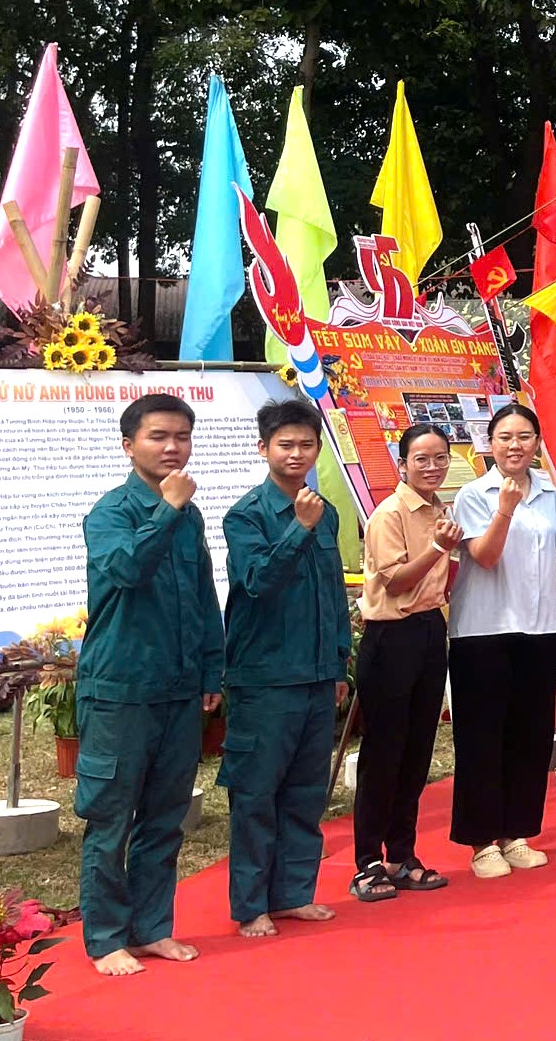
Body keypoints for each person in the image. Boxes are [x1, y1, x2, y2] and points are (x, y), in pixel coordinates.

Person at [76, 395, 222, 976]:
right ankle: (106, 938)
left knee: (165, 818)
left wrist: (211, 671)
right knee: (111, 820)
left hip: (179, 690)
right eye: (158, 436)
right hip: (120, 691)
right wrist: (165, 510)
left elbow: (205, 597)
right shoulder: (110, 513)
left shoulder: (190, 514)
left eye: (182, 436)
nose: (172, 447)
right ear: (128, 444)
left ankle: (152, 928)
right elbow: (126, 570)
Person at [221, 399, 351, 938]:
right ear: (263, 449)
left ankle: (294, 893)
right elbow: (257, 583)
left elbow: (333, 594)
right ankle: (251, 905)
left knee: (305, 792)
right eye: (285, 445)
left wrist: (339, 664)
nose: (296, 454)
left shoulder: (326, 511)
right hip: (266, 677)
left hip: (317, 675)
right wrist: (298, 528)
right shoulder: (246, 514)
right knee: (256, 795)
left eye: (306, 445)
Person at [447, 402, 556, 879]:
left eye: (524, 437)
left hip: (540, 627)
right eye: (505, 437)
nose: (514, 446)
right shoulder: (473, 494)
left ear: (537, 442)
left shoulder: (550, 492)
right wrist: (504, 509)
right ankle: (482, 841)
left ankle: (517, 833)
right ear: (490, 444)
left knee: (531, 736)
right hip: (485, 629)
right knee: (482, 737)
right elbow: (485, 556)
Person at [350, 423, 460, 902]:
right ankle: (367, 862)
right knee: (384, 753)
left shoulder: (441, 511)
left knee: (417, 751)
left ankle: (401, 854)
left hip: (430, 630)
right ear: (402, 465)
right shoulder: (388, 514)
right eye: (422, 459)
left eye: (440, 458)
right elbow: (395, 582)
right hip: (391, 636)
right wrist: (438, 548)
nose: (432, 467)